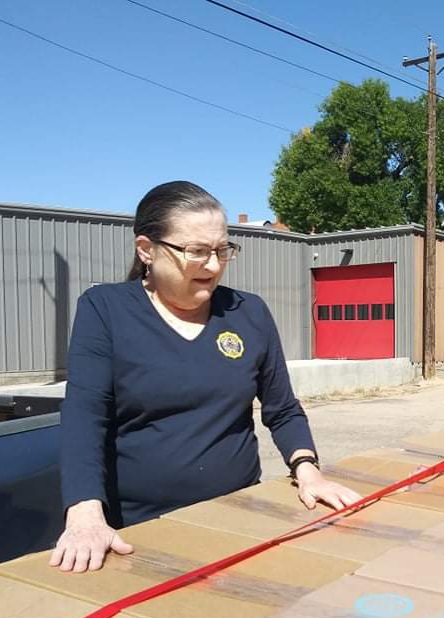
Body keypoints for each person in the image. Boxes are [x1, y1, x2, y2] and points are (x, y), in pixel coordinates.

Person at [51, 181, 363, 573]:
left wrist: (308, 471)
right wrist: (84, 515)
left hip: (239, 516)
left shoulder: (248, 313)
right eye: (197, 252)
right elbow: (85, 417)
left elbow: (282, 409)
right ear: (147, 250)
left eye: (222, 250)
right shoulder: (105, 310)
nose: (214, 265)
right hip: (141, 528)